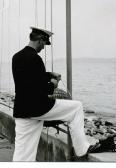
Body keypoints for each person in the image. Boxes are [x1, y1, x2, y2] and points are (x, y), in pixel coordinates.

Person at [12, 27, 101, 161]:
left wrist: (48, 75)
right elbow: (43, 90)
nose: (43, 48)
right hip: (38, 108)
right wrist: (53, 83)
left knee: (22, 154)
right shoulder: (36, 59)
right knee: (76, 108)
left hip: (21, 110)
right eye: (44, 44)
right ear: (40, 40)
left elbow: (28, 79)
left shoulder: (16, 56)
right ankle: (82, 148)